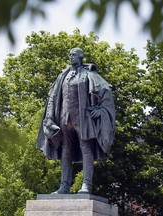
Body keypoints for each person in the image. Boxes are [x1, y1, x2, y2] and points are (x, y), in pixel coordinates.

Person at [37, 47, 115, 194]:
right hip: (64, 118)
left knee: (86, 149)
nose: (71, 57)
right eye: (70, 54)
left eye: (74, 55)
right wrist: (49, 117)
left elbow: (106, 92)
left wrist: (100, 110)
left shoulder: (88, 75)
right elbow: (52, 97)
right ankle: (64, 186)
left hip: (82, 118)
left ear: (80, 57)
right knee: (66, 151)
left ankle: (86, 185)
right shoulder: (63, 76)